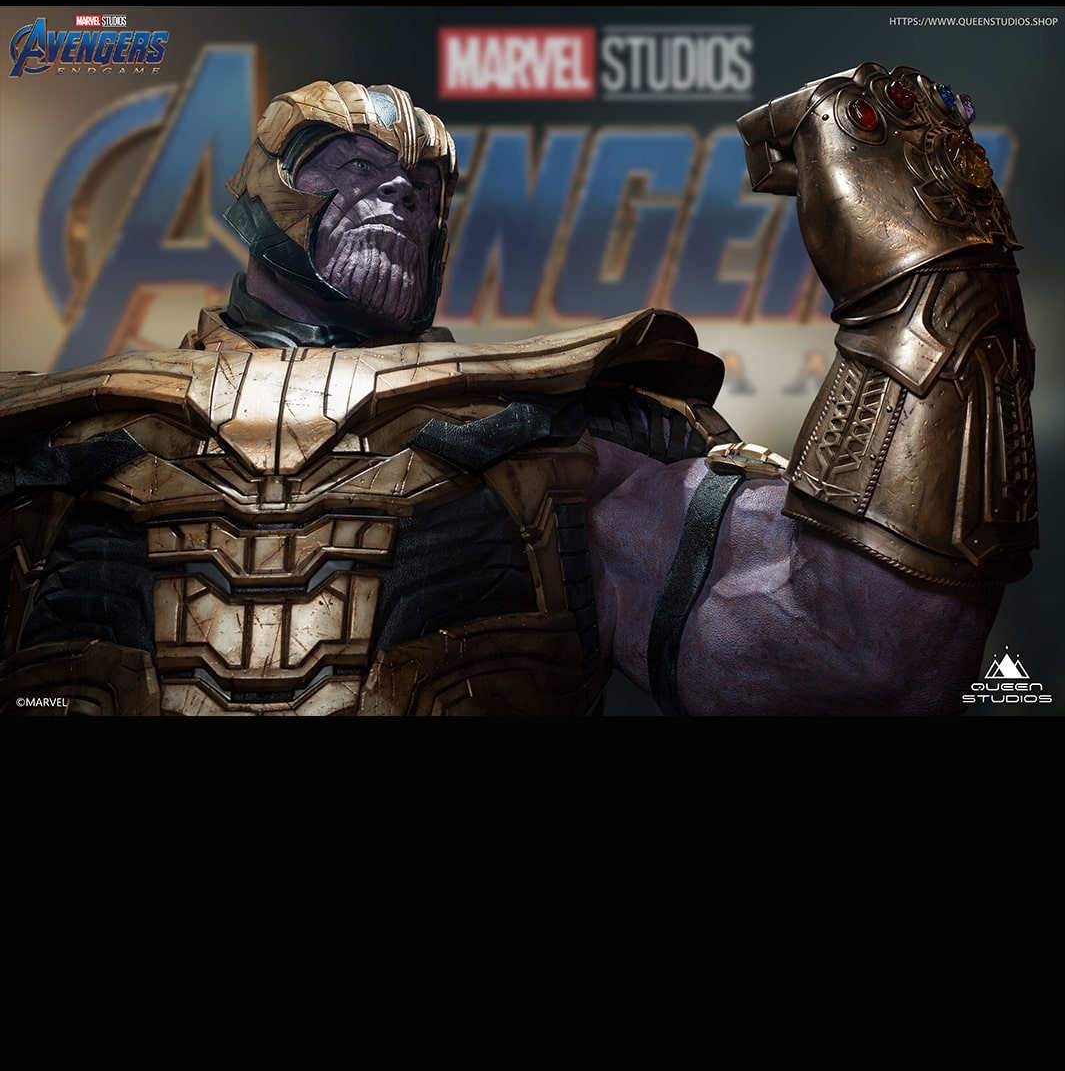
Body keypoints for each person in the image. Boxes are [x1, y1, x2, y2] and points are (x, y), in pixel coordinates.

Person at [0, 68, 1037, 715]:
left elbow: (862, 657)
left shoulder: (549, 434)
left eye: (422, 186)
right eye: (349, 166)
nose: (397, 192)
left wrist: (929, 272)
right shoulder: (58, 435)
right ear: (261, 193)